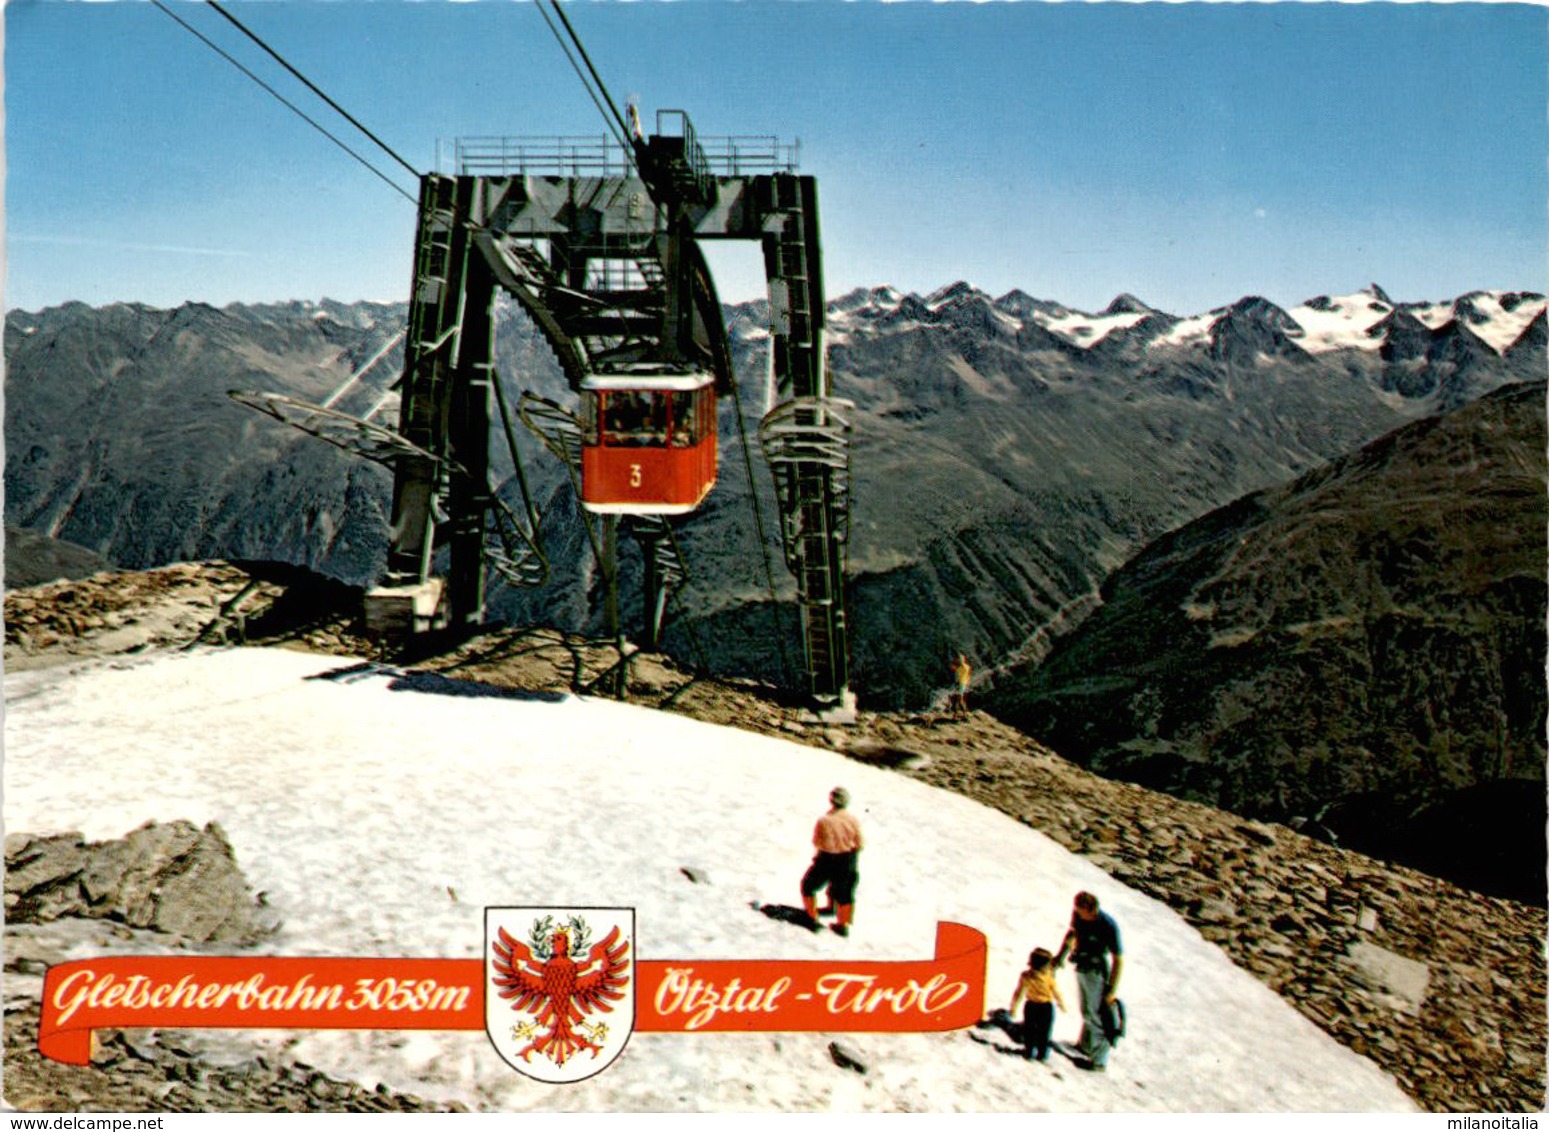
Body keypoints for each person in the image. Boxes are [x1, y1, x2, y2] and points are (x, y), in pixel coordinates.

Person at [1053, 891, 1123, 1071]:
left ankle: (1099, 1060)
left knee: (1096, 1014)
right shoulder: (1078, 916)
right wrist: (1061, 956)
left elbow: (1118, 959)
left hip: (1096, 971)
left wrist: (1111, 990)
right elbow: (1072, 934)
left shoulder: (1107, 925)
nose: (1077, 913)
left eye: (1080, 910)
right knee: (1086, 1010)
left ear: (1091, 910)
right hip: (1082, 966)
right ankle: (1085, 1046)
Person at [800, 787, 863, 937]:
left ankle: (812, 918)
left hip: (827, 858)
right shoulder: (853, 819)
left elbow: (817, 842)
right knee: (845, 893)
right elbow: (859, 843)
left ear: (831, 800)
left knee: (808, 886)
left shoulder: (824, 820)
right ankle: (843, 925)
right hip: (848, 859)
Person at [1009, 947, 1065, 1061]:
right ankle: (1042, 1054)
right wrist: (1061, 1003)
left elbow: (1019, 993)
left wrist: (1014, 1007)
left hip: (1031, 1006)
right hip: (1046, 1007)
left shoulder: (1026, 975)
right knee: (1044, 1032)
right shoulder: (1048, 977)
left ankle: (1029, 1052)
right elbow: (1055, 991)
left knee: (1030, 1030)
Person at [949, 653, 972, 717]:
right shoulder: (967, 667)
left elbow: (956, 672)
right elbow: (968, 675)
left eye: (958, 659)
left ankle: (964, 713)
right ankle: (958, 714)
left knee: (959, 699)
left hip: (960, 684)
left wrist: (954, 668)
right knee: (957, 699)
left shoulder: (961, 667)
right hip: (962, 684)